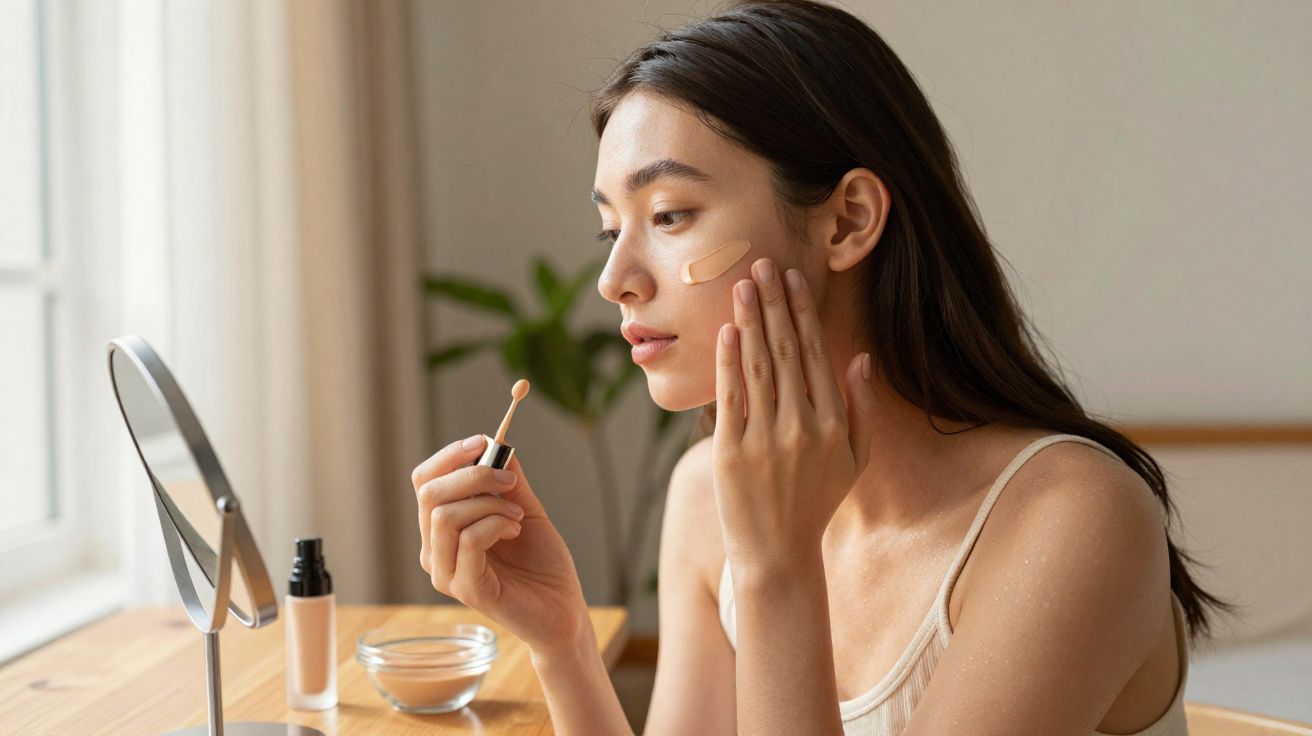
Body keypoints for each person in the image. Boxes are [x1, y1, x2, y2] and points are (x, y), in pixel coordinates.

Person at [409, 1, 1229, 733]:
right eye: (609, 229)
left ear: (848, 221)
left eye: (670, 214)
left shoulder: (1073, 517)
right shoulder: (705, 496)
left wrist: (776, 568)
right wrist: (561, 643)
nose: (614, 278)